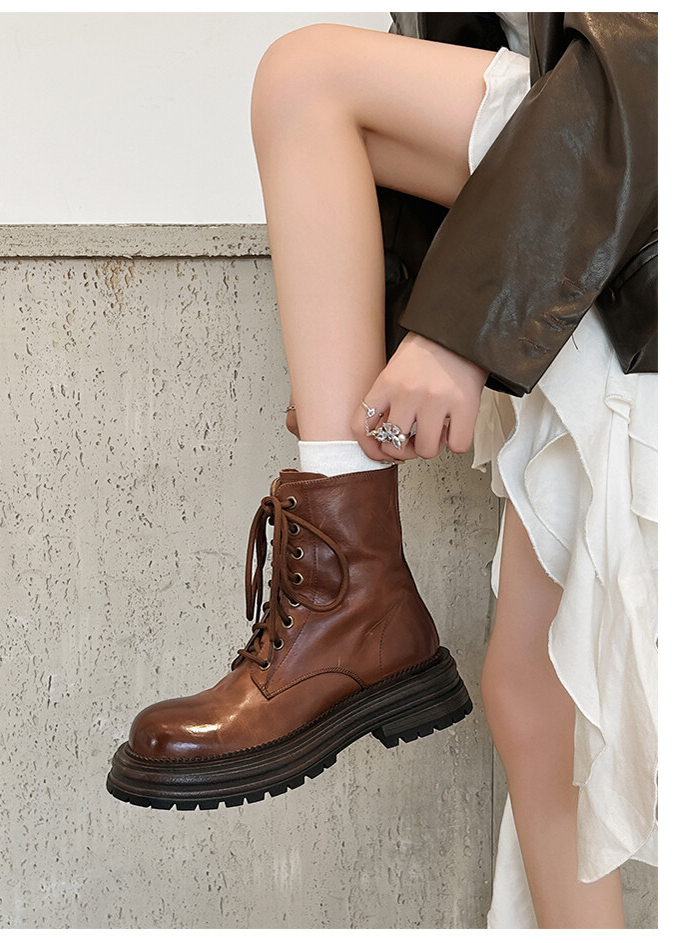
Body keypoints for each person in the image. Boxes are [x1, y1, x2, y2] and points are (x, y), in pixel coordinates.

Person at [107, 12, 658, 930]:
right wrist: (351, 358)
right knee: (532, 697)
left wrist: (460, 332)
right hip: (596, 170)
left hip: (632, 148)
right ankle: (355, 594)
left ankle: (352, 594)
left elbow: (650, 57)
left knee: (306, 80)